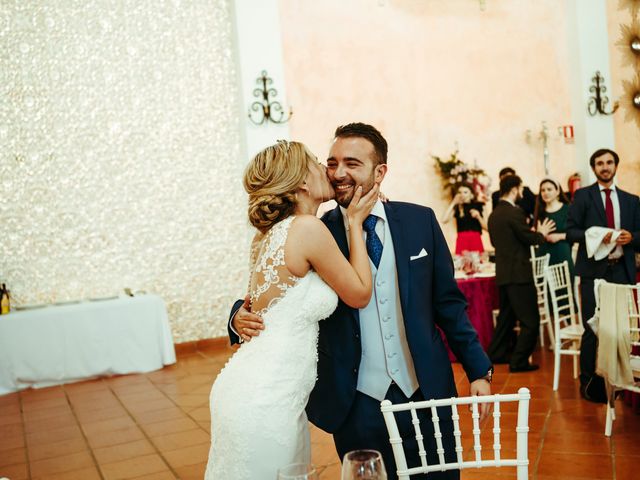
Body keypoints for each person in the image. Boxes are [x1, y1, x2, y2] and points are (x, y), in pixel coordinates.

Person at [231, 123, 492, 479]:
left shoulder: (420, 221)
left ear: (379, 171)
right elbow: (273, 287)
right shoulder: (315, 229)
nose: (338, 173)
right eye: (332, 162)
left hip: (425, 391)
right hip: (355, 400)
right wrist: (237, 315)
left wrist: (477, 368)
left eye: (352, 163)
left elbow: (448, 303)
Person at [205, 140, 380, 479]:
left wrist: (239, 315)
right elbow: (358, 293)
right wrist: (356, 223)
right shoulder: (307, 228)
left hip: (257, 389)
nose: (327, 170)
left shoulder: (271, 235)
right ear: (302, 180)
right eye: (318, 162)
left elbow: (263, 305)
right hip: (267, 398)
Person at [566, 148, 640, 403]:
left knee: (620, 328)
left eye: (609, 162)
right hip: (593, 271)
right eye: (600, 163)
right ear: (594, 168)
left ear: (616, 166)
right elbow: (571, 232)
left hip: (621, 268)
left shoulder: (631, 200)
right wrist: (596, 235)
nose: (605, 167)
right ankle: (588, 383)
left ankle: (619, 381)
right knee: (591, 327)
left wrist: (632, 238)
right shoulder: (583, 196)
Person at [487, 175, 556, 372]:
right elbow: (529, 239)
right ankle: (518, 361)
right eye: (521, 189)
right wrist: (540, 233)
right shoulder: (514, 213)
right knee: (530, 322)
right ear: (515, 189)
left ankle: (496, 354)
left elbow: (494, 243)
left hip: (503, 275)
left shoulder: (494, 215)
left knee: (506, 319)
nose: (522, 193)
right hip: (519, 275)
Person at [533, 177, 574, 277]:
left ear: (557, 191)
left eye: (549, 189)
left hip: (562, 254)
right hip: (544, 255)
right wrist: (538, 233)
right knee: (546, 290)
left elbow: (577, 233)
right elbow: (536, 235)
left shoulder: (568, 209)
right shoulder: (540, 211)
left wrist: (559, 236)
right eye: (543, 190)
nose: (545, 193)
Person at [441, 182, 486, 254]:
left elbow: (487, 228)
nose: (462, 194)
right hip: (462, 241)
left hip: (475, 240)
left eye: (465, 192)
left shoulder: (478, 206)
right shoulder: (457, 207)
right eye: (460, 192)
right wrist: (453, 203)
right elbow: (444, 220)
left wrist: (478, 217)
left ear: (471, 194)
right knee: (462, 264)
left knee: (477, 263)